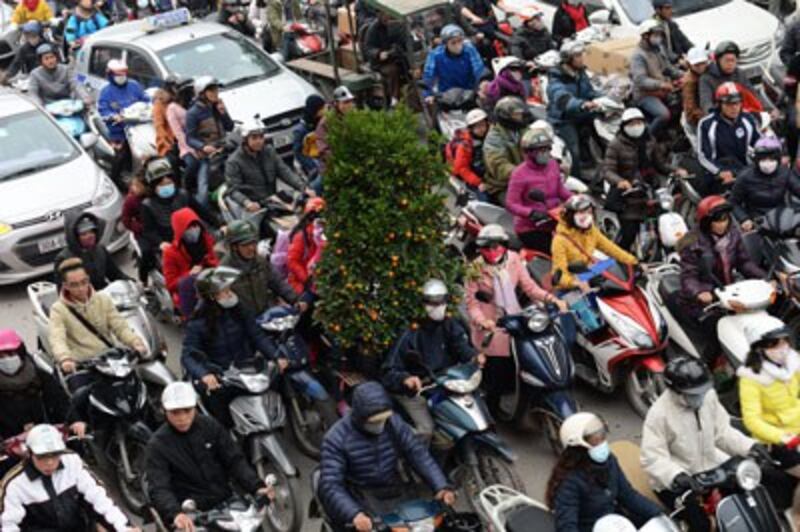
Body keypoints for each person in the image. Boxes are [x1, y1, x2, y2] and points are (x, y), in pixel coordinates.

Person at [641, 356, 789, 532]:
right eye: (694, 394)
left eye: (703, 391)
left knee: (749, 493)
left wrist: (750, 446)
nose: (700, 398)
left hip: (711, 467)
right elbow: (652, 458)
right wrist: (677, 475)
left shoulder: (707, 397)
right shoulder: (659, 414)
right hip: (679, 480)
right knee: (701, 525)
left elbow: (722, 432)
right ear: (676, 391)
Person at [318, 381, 455, 531]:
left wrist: (441, 485)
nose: (381, 424)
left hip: (393, 487)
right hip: (359, 494)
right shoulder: (336, 439)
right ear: (360, 417)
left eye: (384, 419)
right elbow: (331, 484)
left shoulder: (393, 422)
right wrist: (355, 514)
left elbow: (417, 453)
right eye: (375, 421)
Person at [465, 224, 568, 413]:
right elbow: (472, 304)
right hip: (492, 326)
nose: (491, 252)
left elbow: (530, 287)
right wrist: (483, 321)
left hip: (515, 318)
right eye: (486, 248)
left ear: (504, 246)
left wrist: (552, 299)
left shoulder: (514, 260)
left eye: (495, 247)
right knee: (496, 373)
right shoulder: (474, 269)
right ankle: (493, 408)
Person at [145, 382, 274, 530]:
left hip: (227, 502)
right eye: (175, 412)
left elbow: (235, 460)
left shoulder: (209, 425)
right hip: (192, 515)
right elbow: (159, 487)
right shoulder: (157, 446)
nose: (182, 418)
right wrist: (176, 514)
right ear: (165, 411)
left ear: (194, 408)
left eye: (187, 411)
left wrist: (256, 486)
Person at [382, 280, 483, 445]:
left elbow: (461, 347)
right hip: (418, 389)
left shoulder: (450, 324)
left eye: (441, 301)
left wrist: (474, 357)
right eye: (433, 303)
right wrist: (405, 379)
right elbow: (389, 370)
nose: (438, 306)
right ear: (423, 304)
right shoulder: (410, 333)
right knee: (426, 430)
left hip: (445, 383)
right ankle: (414, 465)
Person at [180, 267, 281, 425]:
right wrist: (205, 374)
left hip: (246, 371)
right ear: (212, 297)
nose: (230, 294)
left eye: (229, 289)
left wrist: (276, 356)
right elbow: (188, 355)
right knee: (220, 419)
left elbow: (257, 335)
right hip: (222, 377)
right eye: (225, 291)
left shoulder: (239, 310)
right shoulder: (197, 323)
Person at [0, 424, 139, 532]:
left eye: (54, 455)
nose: (49, 462)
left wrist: (124, 527)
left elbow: (99, 497)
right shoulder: (14, 484)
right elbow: (8, 525)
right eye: (42, 456)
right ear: (30, 454)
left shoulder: (72, 461)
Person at [677, 196, 765, 366]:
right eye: (717, 220)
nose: (722, 224)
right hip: (702, 300)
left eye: (725, 219)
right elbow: (688, 276)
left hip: (727, 292)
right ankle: (706, 367)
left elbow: (744, 262)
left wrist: (765, 279)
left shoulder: (733, 235)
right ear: (706, 221)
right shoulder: (692, 244)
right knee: (716, 334)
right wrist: (700, 292)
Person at [547, 412, 663, 532]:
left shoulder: (609, 461)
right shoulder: (569, 482)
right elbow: (567, 526)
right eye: (596, 440)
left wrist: (658, 515)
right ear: (579, 447)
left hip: (616, 523)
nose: (603, 444)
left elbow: (628, 495)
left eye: (603, 437)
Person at [48, 258, 145, 388]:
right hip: (83, 366)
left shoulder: (103, 299)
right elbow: (57, 338)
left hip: (111, 360)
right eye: (74, 285)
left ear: (88, 279)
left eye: (84, 282)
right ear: (65, 285)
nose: (81, 288)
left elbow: (119, 326)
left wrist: (135, 342)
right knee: (80, 399)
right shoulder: (58, 309)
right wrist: (65, 358)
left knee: (138, 386)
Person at [601, 108, 685, 250]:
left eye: (639, 122)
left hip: (650, 188)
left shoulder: (649, 141)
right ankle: (622, 262)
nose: (636, 127)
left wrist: (676, 170)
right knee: (629, 233)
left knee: (665, 222)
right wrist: (620, 181)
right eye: (632, 123)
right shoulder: (616, 144)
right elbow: (608, 170)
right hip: (628, 194)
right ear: (624, 126)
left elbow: (660, 164)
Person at [139, 158, 217, 281]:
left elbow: (202, 212)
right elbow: (149, 231)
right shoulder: (147, 205)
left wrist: (221, 224)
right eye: (162, 184)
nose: (166, 186)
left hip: (190, 238)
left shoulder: (184, 195)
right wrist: (161, 243)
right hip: (169, 244)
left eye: (169, 183)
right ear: (154, 186)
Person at [225, 119, 311, 220]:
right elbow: (233, 190)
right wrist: (246, 202)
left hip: (273, 200)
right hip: (253, 206)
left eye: (261, 137)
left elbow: (284, 171)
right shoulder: (233, 161)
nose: (259, 141)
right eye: (254, 138)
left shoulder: (269, 151)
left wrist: (303, 188)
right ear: (245, 140)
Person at [738, 319, 800, 455]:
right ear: (759, 348)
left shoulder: (793, 363)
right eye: (774, 344)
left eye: (785, 341)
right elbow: (752, 420)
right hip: (778, 440)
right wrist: (783, 437)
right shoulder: (750, 378)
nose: (783, 348)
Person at [505, 128, 573, 252]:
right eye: (541, 150)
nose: (546, 153)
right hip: (532, 228)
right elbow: (511, 203)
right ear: (529, 152)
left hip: (554, 220)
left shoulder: (553, 165)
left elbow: (560, 190)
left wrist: (575, 200)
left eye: (547, 149)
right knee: (560, 252)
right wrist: (531, 213)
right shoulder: (519, 174)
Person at [551, 194, 637, 290]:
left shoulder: (591, 230)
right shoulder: (560, 240)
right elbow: (559, 276)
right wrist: (575, 283)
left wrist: (634, 262)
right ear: (571, 216)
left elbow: (611, 248)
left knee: (613, 265)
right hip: (574, 284)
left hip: (589, 272)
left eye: (589, 212)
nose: (587, 216)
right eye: (582, 213)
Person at [222, 220, 302, 316]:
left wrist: (295, 300)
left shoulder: (260, 261)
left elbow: (277, 281)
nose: (251, 248)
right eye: (245, 245)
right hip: (243, 322)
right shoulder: (224, 272)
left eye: (253, 243)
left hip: (265, 314)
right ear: (234, 247)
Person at [546, 41, 600, 179]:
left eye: (581, 54)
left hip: (581, 114)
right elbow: (563, 99)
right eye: (577, 55)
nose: (582, 58)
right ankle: (575, 180)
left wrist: (608, 96)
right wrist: (581, 104)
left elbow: (589, 92)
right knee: (573, 151)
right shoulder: (556, 79)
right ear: (568, 59)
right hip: (564, 118)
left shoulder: (580, 73)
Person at [697, 82, 760, 195]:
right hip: (717, 172)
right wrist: (720, 172)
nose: (734, 108)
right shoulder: (706, 124)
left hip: (743, 168)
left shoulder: (748, 119)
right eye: (729, 104)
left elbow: (759, 142)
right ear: (719, 104)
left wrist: (773, 153)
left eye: (737, 103)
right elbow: (703, 157)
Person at [97, 60, 150, 191]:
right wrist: (113, 116)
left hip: (139, 125)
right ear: (110, 75)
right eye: (118, 74)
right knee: (121, 155)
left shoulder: (134, 85)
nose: (121, 77)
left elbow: (145, 99)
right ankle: (115, 179)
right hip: (119, 130)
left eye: (124, 74)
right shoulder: (106, 92)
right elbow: (103, 110)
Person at [730, 136, 800, 230]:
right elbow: (733, 202)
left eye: (772, 159)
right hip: (757, 220)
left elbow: (797, 188)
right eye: (763, 159)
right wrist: (744, 219)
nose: (768, 163)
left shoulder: (785, 172)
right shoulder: (745, 177)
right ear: (757, 160)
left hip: (782, 217)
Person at [185, 76, 234, 207]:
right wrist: (203, 146)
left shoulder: (218, 106)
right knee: (203, 194)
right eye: (211, 91)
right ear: (202, 93)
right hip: (207, 156)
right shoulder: (193, 113)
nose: (215, 93)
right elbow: (189, 138)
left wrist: (223, 113)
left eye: (216, 90)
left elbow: (230, 126)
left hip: (224, 149)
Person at [162, 207, 220, 318]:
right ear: (180, 230)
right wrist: (189, 275)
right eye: (189, 227)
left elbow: (215, 259)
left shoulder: (206, 239)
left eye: (196, 226)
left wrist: (209, 263)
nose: (194, 230)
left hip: (211, 285)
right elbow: (170, 284)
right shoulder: (170, 253)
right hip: (190, 295)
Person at [629, 20, 682, 139]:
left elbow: (668, 68)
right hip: (645, 94)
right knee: (663, 115)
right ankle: (647, 139)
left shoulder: (658, 50)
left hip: (662, 90)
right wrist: (661, 84)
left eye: (659, 35)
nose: (658, 38)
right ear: (645, 36)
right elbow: (640, 80)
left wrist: (683, 75)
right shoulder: (638, 56)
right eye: (655, 35)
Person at [53, 211, 130, 291]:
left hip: (103, 295)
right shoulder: (64, 258)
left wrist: (132, 283)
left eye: (92, 231)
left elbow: (115, 274)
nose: (90, 236)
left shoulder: (100, 250)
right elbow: (63, 291)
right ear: (75, 237)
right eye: (84, 234)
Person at [698, 41, 774, 116]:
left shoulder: (739, 73)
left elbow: (753, 93)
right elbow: (706, 103)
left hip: (743, 114)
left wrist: (769, 109)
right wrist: (715, 117)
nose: (730, 64)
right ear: (718, 61)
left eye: (733, 60)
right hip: (721, 117)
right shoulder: (706, 79)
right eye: (727, 60)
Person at [421, 24, 486, 103]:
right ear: (445, 44)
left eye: (459, 41)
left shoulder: (469, 48)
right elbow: (428, 75)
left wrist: (483, 84)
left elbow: (478, 68)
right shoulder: (435, 55)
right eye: (453, 43)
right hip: (447, 97)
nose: (457, 45)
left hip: (471, 93)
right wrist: (427, 94)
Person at [483, 96, 531, 205]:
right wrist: (521, 172)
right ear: (505, 116)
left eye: (520, 114)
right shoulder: (494, 137)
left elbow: (537, 145)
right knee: (522, 209)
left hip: (529, 179)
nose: (520, 117)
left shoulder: (523, 129)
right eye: (516, 115)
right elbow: (498, 165)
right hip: (503, 185)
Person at [364, 11, 410, 104]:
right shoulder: (373, 29)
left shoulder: (395, 25)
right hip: (380, 62)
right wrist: (378, 53)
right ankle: (394, 98)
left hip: (394, 56)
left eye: (388, 15)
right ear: (379, 16)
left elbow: (402, 38)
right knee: (392, 70)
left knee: (408, 65)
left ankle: (411, 91)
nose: (387, 17)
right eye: (384, 15)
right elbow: (368, 48)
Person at [445, 108, 490, 200]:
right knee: (485, 199)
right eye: (477, 127)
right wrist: (478, 182)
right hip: (470, 176)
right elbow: (462, 168)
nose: (481, 129)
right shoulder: (465, 145)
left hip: (485, 171)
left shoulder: (490, 136)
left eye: (483, 125)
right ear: (471, 128)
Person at [166, 78, 198, 189]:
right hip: (186, 145)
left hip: (203, 141)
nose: (192, 94)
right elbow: (178, 133)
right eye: (189, 91)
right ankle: (186, 188)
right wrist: (191, 149)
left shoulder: (196, 103)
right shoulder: (172, 108)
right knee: (193, 163)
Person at [316, 86, 355, 175]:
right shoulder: (325, 122)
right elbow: (323, 150)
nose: (349, 105)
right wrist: (342, 161)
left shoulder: (354, 116)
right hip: (333, 169)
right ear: (336, 103)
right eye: (345, 102)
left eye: (350, 102)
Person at [292, 94, 326, 183]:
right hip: (311, 168)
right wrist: (314, 167)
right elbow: (299, 153)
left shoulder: (321, 122)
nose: (324, 110)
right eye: (322, 108)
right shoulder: (301, 130)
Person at [681, 47, 710, 132]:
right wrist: (707, 119)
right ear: (690, 65)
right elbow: (691, 108)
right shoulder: (689, 82)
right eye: (697, 65)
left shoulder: (708, 74)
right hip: (695, 123)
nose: (700, 67)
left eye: (703, 63)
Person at [153, 78, 177, 160]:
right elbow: (159, 126)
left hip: (183, 141)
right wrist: (167, 143)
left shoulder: (180, 101)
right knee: (173, 162)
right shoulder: (160, 104)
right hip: (168, 142)